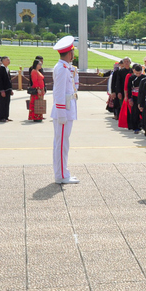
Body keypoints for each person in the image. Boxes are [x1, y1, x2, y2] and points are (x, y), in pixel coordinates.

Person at [51, 36, 79, 184]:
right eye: (73, 52)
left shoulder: (65, 67)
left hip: (67, 110)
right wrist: (62, 114)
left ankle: (62, 172)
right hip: (64, 112)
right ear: (69, 53)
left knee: (62, 144)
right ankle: (62, 176)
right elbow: (59, 93)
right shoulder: (62, 69)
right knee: (61, 144)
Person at [0, 56, 13, 122]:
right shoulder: (0, 69)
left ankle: (6, 116)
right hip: (3, 90)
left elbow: (9, 80)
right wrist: (1, 90)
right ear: (3, 61)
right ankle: (1, 117)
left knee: (7, 103)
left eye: (9, 60)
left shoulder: (7, 69)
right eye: (7, 60)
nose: (9, 61)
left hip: (8, 89)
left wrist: (10, 89)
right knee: (2, 103)